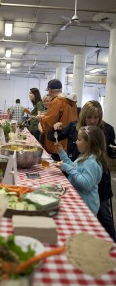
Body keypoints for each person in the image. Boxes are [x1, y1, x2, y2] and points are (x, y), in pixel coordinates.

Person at [48, 100, 116, 242]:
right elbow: (52, 136)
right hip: (81, 183)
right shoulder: (81, 153)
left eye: (96, 117)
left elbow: (109, 152)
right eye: (89, 117)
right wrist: (55, 130)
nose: (92, 121)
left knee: (105, 215)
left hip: (95, 184)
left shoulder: (107, 131)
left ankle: (111, 245)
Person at [55, 126, 107, 216]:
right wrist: (61, 152)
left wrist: (67, 168)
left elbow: (86, 184)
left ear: (88, 143)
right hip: (78, 202)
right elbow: (74, 168)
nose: (76, 142)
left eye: (79, 140)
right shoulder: (84, 156)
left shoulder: (92, 163)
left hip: (86, 207)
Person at [39, 79, 77, 160]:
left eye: (48, 90)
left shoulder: (57, 101)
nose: (48, 93)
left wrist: (42, 118)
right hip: (69, 141)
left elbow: (50, 121)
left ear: (50, 90)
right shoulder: (72, 102)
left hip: (57, 142)